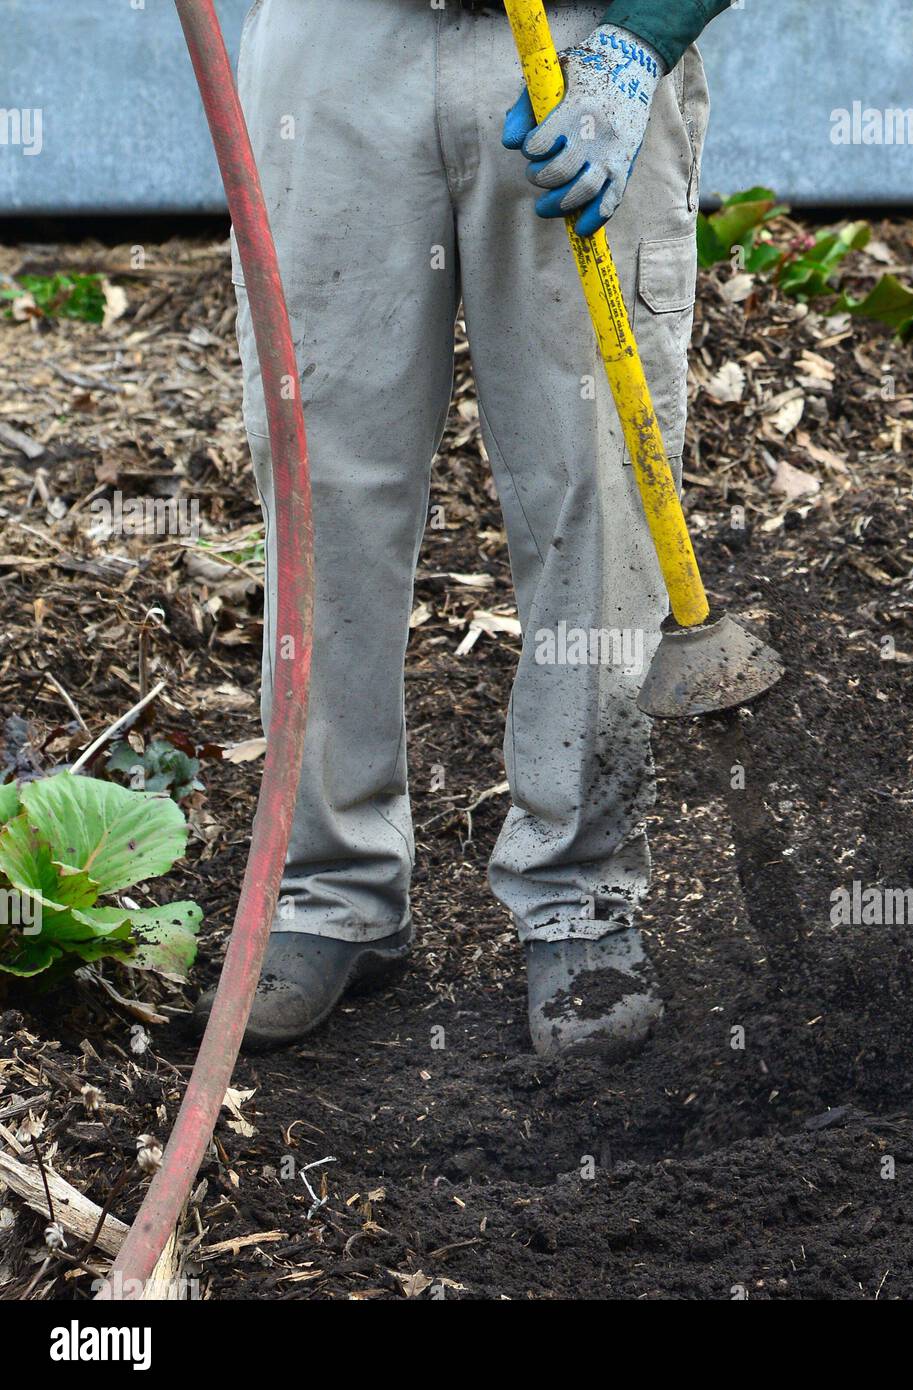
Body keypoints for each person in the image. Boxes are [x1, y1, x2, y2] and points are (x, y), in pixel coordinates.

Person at [195, 0, 733, 1056]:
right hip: (339, 48)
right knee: (320, 474)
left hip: (579, 42)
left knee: (597, 480)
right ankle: (324, 889)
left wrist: (635, 47)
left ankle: (578, 892)